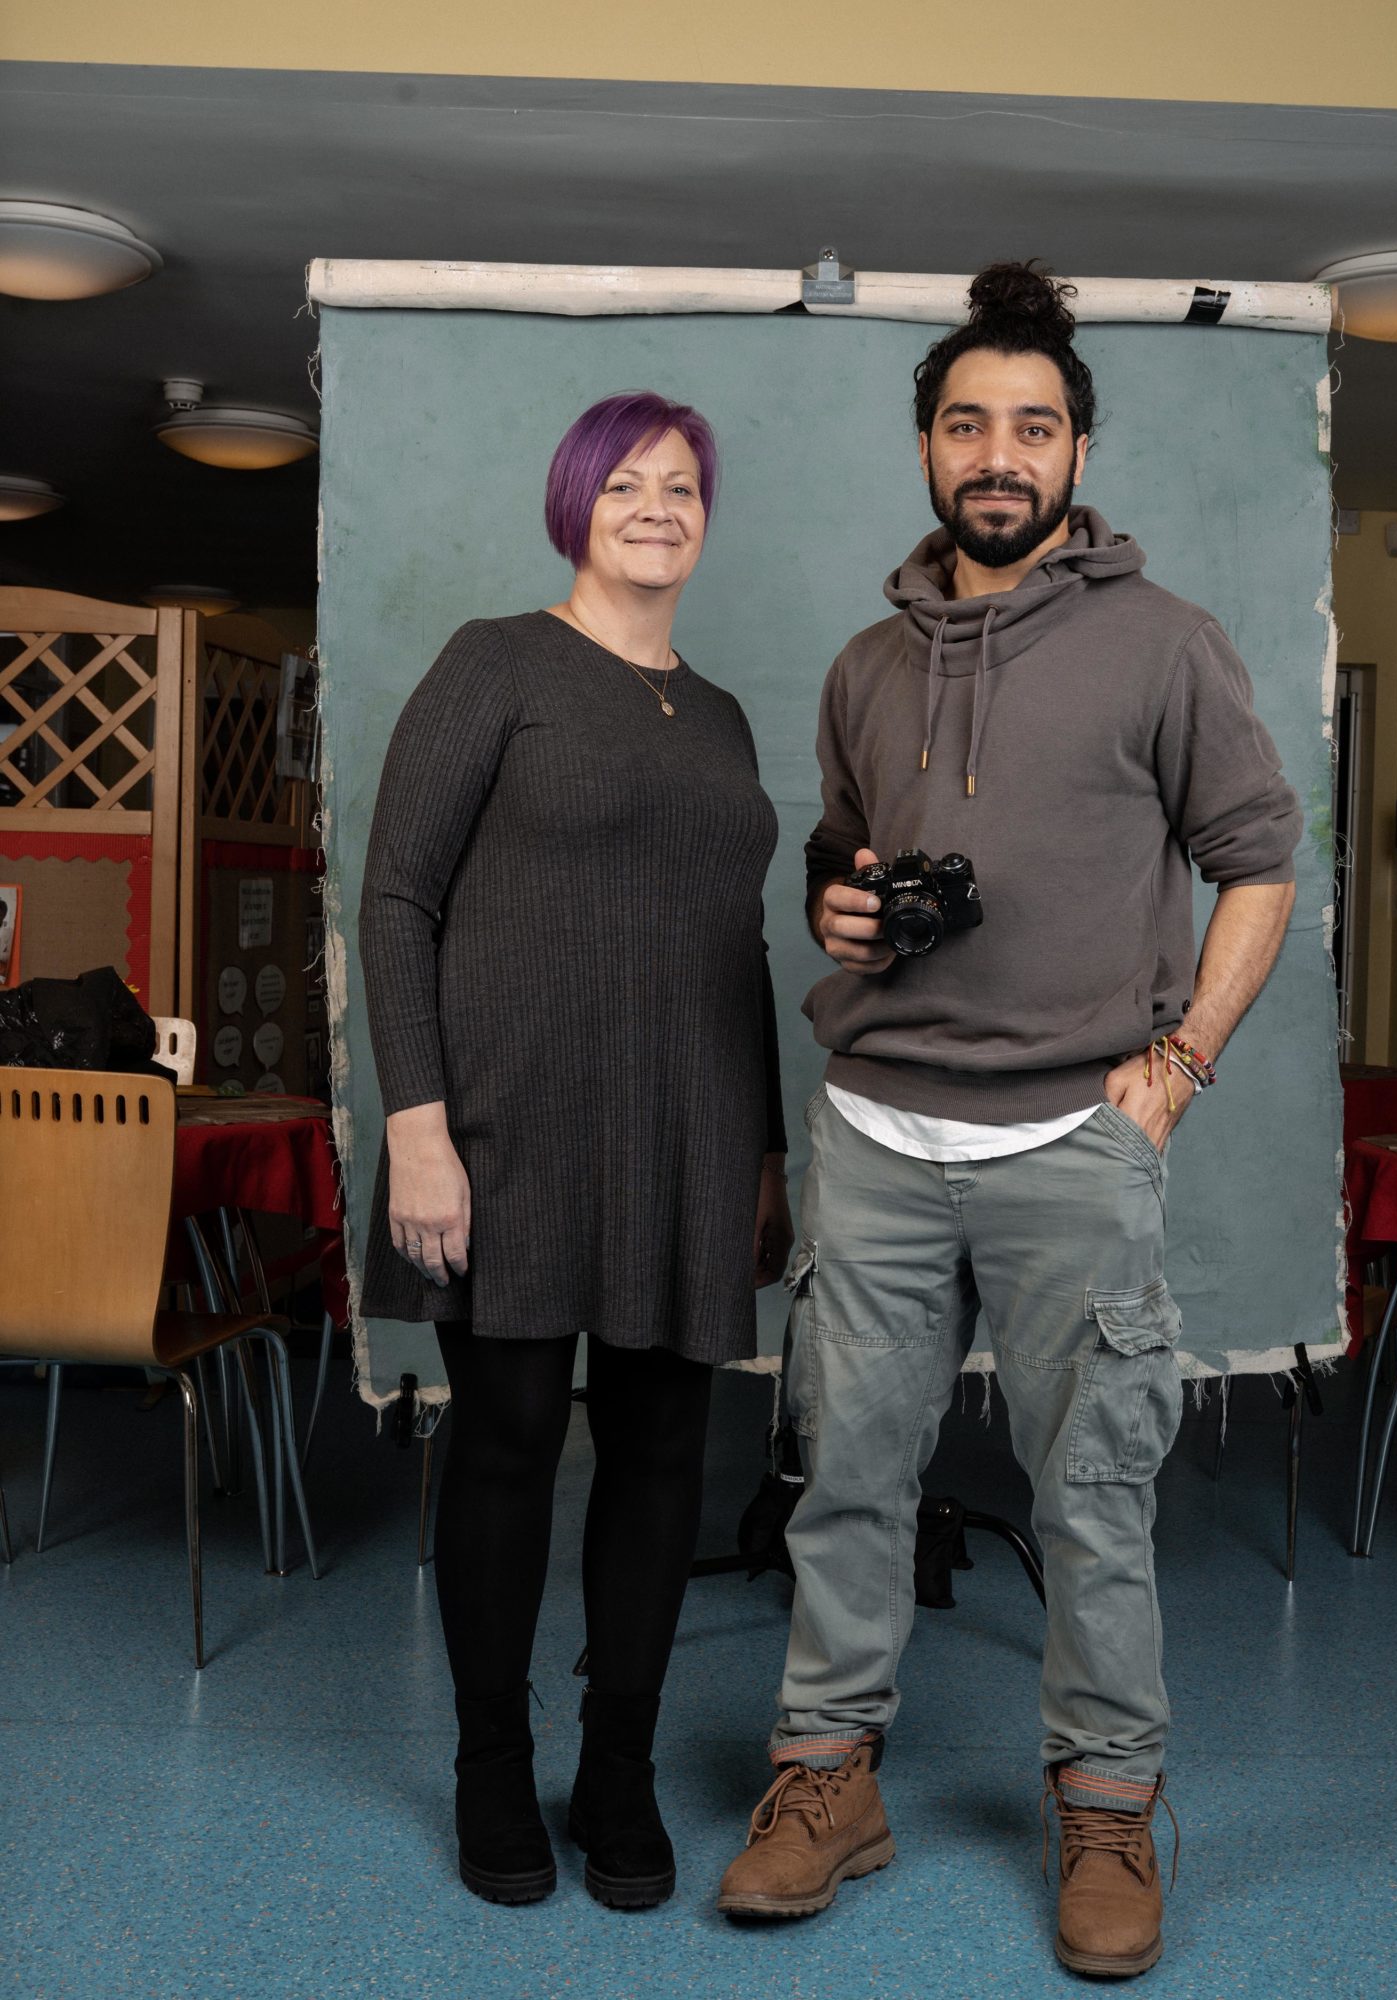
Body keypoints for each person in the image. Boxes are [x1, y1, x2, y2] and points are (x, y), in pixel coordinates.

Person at [717, 265, 1301, 1979]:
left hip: (1073, 1136)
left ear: (1076, 451)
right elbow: (841, 860)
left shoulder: (1166, 642)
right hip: (878, 1135)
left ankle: (1109, 1811)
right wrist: (836, 907)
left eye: (1032, 426)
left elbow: (1260, 864)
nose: (999, 453)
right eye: (968, 423)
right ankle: (828, 1785)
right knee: (845, 1481)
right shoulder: (862, 664)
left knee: (1093, 1500)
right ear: (924, 451)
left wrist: (1181, 1063)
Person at [360, 390, 792, 1912]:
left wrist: (769, 1160)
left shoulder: (724, 714)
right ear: (575, 504)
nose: (659, 507)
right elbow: (398, 901)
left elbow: (739, 947)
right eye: (627, 485)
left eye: (683, 486)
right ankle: (493, 1769)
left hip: (690, 1131)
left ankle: (619, 1770)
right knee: (508, 1445)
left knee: (668, 1454)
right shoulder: (499, 662)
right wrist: (418, 1128)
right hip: (509, 1128)